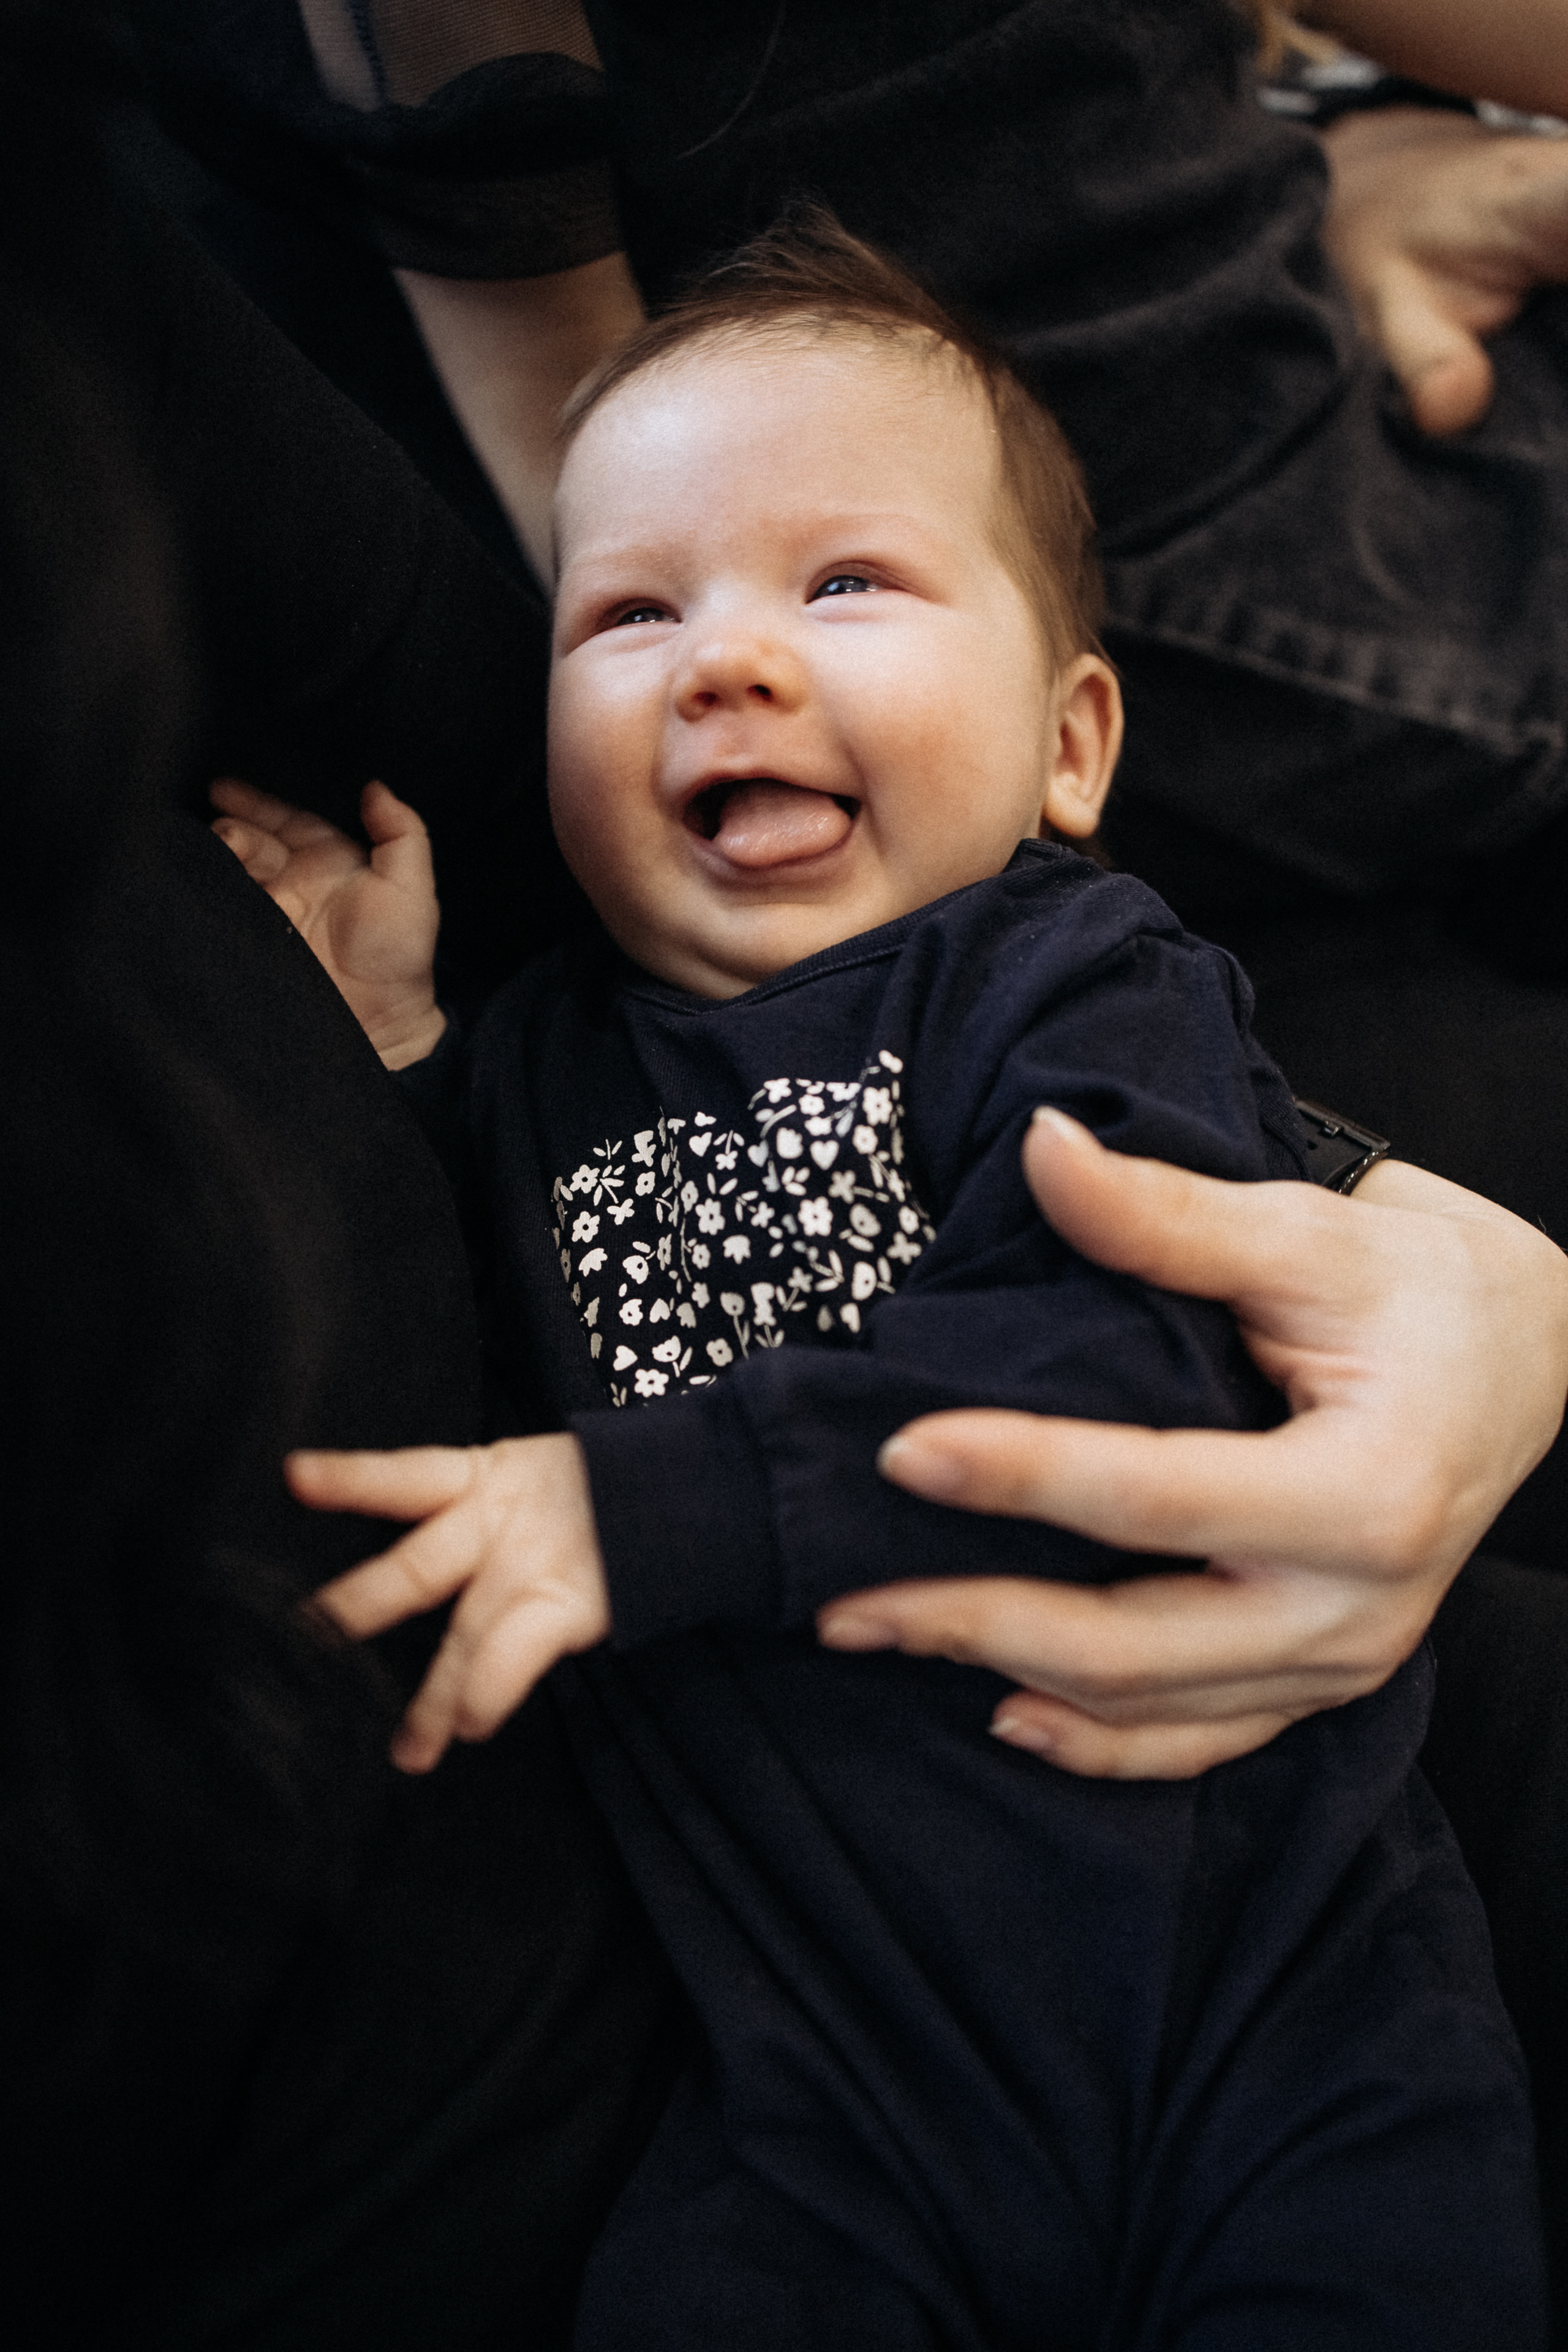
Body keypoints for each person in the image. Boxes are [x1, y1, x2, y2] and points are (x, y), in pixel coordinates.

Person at [215, 220, 1547, 2348]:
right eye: (630, 612)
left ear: (1068, 747)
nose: (725, 661)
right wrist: (387, 1050)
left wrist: (625, 1511)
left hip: (1272, 2013)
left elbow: (1132, 1362)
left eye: (843, 584)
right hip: (814, 2081)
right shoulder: (541, 1064)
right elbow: (451, 1300)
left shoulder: (1066, 986)